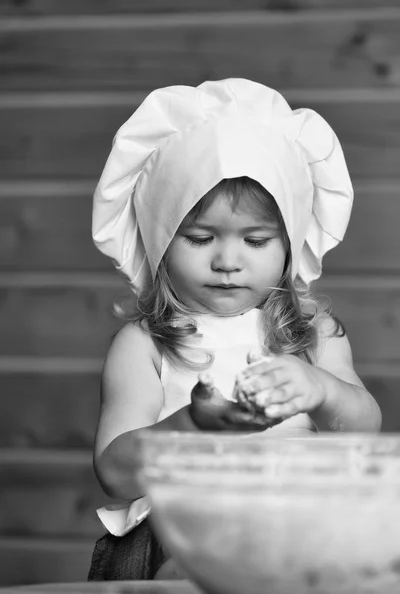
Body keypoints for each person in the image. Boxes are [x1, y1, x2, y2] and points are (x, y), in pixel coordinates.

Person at [88, 78, 382, 581]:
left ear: (288, 244)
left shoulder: (314, 335)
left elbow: (362, 432)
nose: (228, 261)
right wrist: (190, 429)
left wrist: (321, 390)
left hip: (307, 529)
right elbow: (115, 474)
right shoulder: (145, 345)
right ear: (160, 239)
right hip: (186, 533)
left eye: (256, 239)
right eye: (201, 238)